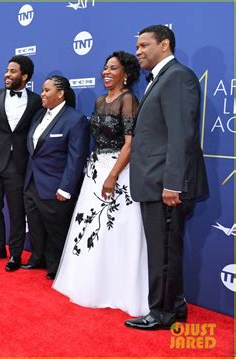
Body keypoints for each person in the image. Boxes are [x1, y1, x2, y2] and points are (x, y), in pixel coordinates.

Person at [125, 25, 209, 330]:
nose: (138, 52)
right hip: (154, 181)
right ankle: (174, 305)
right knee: (165, 249)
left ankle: (161, 313)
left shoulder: (177, 77)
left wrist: (173, 183)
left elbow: (181, 136)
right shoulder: (160, 79)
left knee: (162, 252)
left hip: (165, 183)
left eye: (144, 45)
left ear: (165, 44)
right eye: (137, 47)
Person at [53, 52, 149, 316]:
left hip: (119, 172)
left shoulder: (128, 99)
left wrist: (113, 175)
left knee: (115, 230)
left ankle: (115, 288)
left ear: (125, 73)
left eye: (113, 68)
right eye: (105, 67)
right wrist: (97, 170)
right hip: (95, 171)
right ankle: (88, 283)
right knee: (89, 228)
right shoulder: (99, 100)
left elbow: (131, 144)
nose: (106, 72)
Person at [0, 55, 42, 271]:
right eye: (7, 70)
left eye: (13, 71)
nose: (7, 74)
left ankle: (15, 254)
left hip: (18, 165)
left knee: (16, 212)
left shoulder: (35, 101)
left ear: (24, 76)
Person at [22, 76, 89, 280]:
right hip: (32, 181)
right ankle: (37, 257)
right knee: (35, 224)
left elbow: (76, 157)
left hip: (55, 185)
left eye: (46, 90)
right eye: (42, 90)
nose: (42, 94)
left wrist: (66, 187)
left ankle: (56, 265)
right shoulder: (39, 115)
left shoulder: (75, 119)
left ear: (60, 93)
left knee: (56, 228)